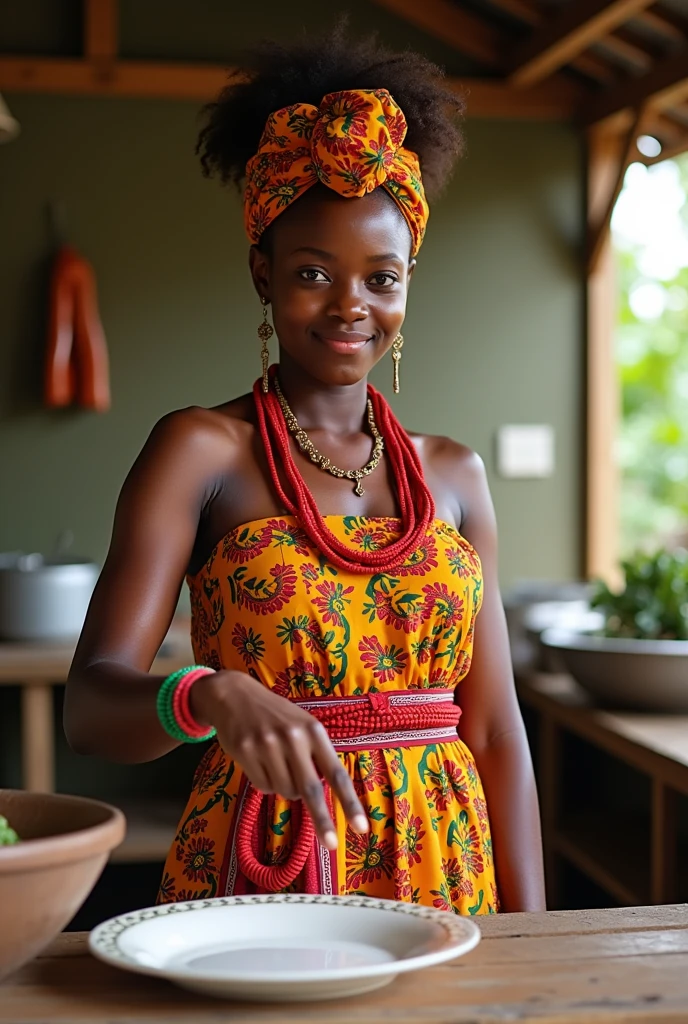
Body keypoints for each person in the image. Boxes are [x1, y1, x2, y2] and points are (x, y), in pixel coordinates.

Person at [64, 26, 545, 915]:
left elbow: (494, 731)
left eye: (382, 278)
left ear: (407, 284)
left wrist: (536, 942)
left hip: (450, 874)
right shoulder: (201, 450)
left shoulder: (457, 475)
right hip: (273, 874)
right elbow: (91, 711)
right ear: (264, 273)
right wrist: (210, 696)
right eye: (315, 272)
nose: (351, 305)